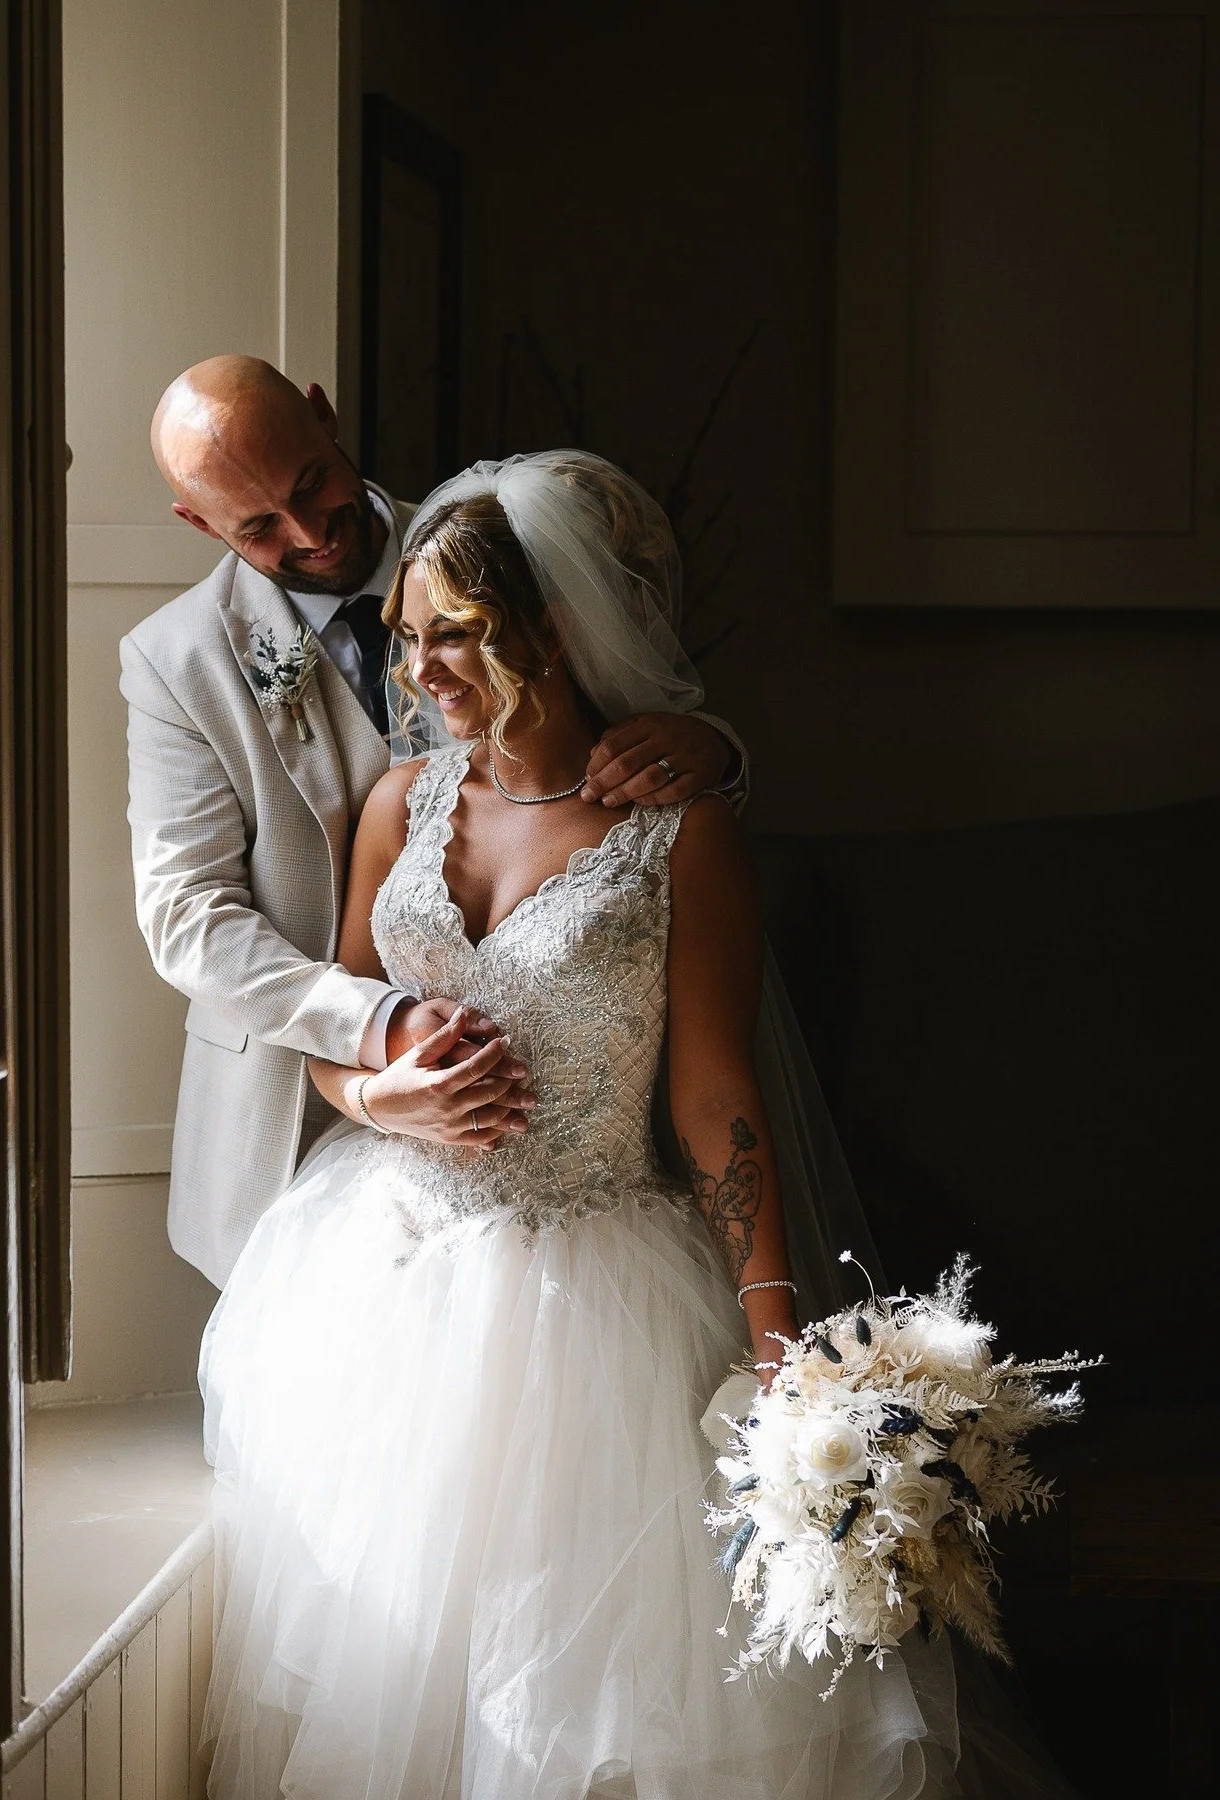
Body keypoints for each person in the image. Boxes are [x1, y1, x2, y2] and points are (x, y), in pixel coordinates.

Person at [197, 453, 1074, 1798]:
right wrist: (379, 1093)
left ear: (555, 630)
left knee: (585, 1700)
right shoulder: (398, 806)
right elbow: (335, 1039)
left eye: (461, 635)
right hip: (385, 1283)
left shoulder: (678, 837)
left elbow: (717, 1095)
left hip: (596, 1300)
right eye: (411, 634)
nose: (423, 669)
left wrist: (782, 1346)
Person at [122, 357, 744, 1285]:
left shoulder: (500, 541)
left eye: (311, 486)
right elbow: (188, 918)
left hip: (568, 1140)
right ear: (199, 525)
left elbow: (626, 685)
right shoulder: (176, 661)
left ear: (325, 418)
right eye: (258, 527)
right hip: (301, 1111)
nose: (308, 533)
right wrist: (378, 1029)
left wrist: (714, 750)